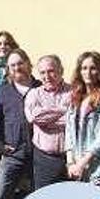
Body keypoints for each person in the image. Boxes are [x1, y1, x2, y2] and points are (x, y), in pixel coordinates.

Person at [0, 48, 39, 199]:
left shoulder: (41, 88)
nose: (17, 68)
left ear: (28, 63)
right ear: (8, 70)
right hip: (12, 156)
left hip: (39, 156)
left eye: (20, 63)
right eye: (12, 65)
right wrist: (0, 146)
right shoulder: (4, 92)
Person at [65, 52, 100, 188]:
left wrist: (82, 163)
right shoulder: (75, 97)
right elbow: (68, 131)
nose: (88, 72)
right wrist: (71, 163)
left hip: (99, 172)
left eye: (93, 68)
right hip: (77, 171)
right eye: (84, 68)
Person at [24, 55, 72, 190]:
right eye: (42, 72)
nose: (47, 76)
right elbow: (33, 118)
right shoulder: (34, 94)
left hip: (69, 159)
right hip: (44, 158)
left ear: (61, 70)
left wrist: (47, 118)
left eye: (51, 71)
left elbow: (75, 119)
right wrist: (64, 110)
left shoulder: (73, 92)